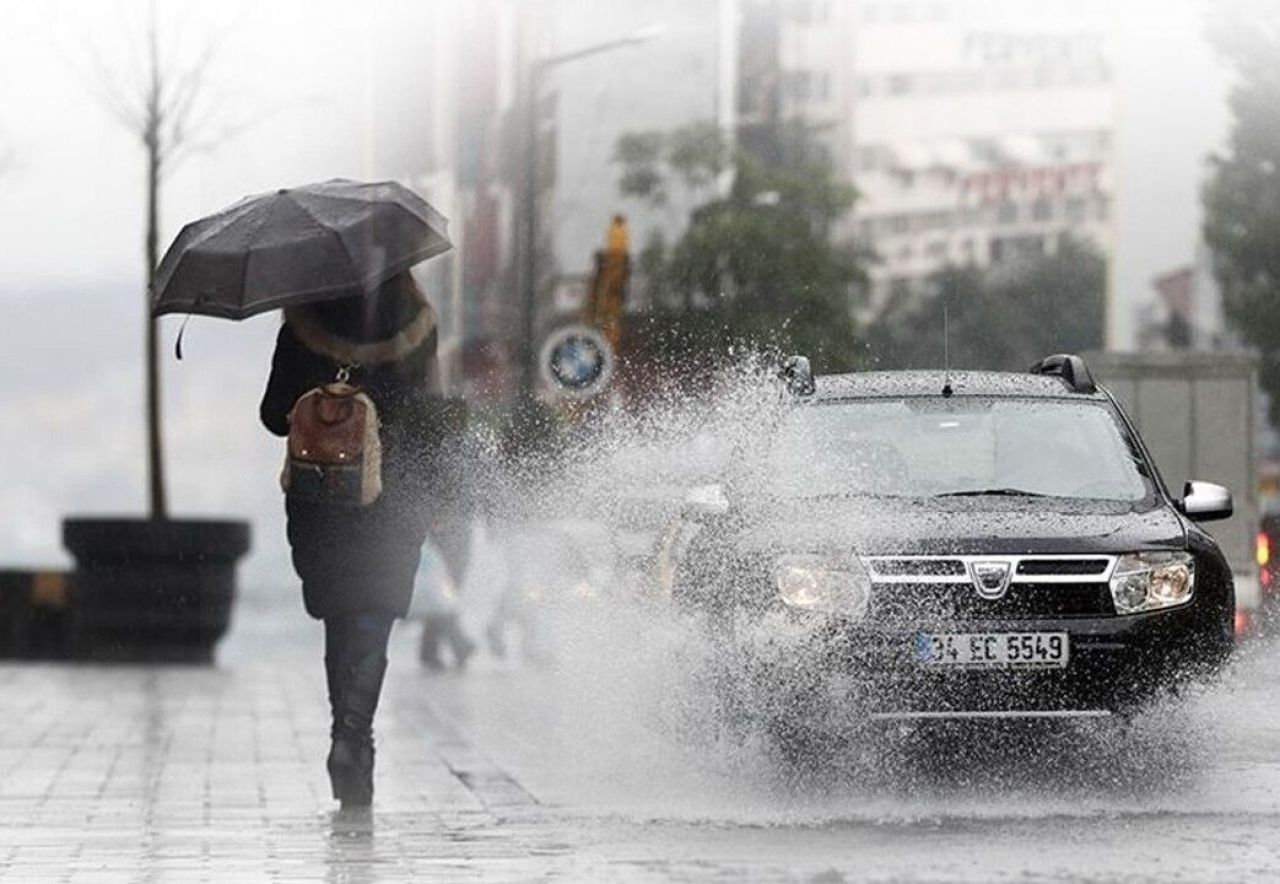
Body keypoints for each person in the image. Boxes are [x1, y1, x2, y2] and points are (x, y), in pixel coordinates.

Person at [259, 270, 447, 809]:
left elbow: (274, 415)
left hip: (321, 501)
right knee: (372, 615)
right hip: (394, 495)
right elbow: (429, 417)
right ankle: (353, 739)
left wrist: (322, 398)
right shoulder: (417, 323)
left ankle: (346, 734)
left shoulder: (303, 324)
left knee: (342, 616)